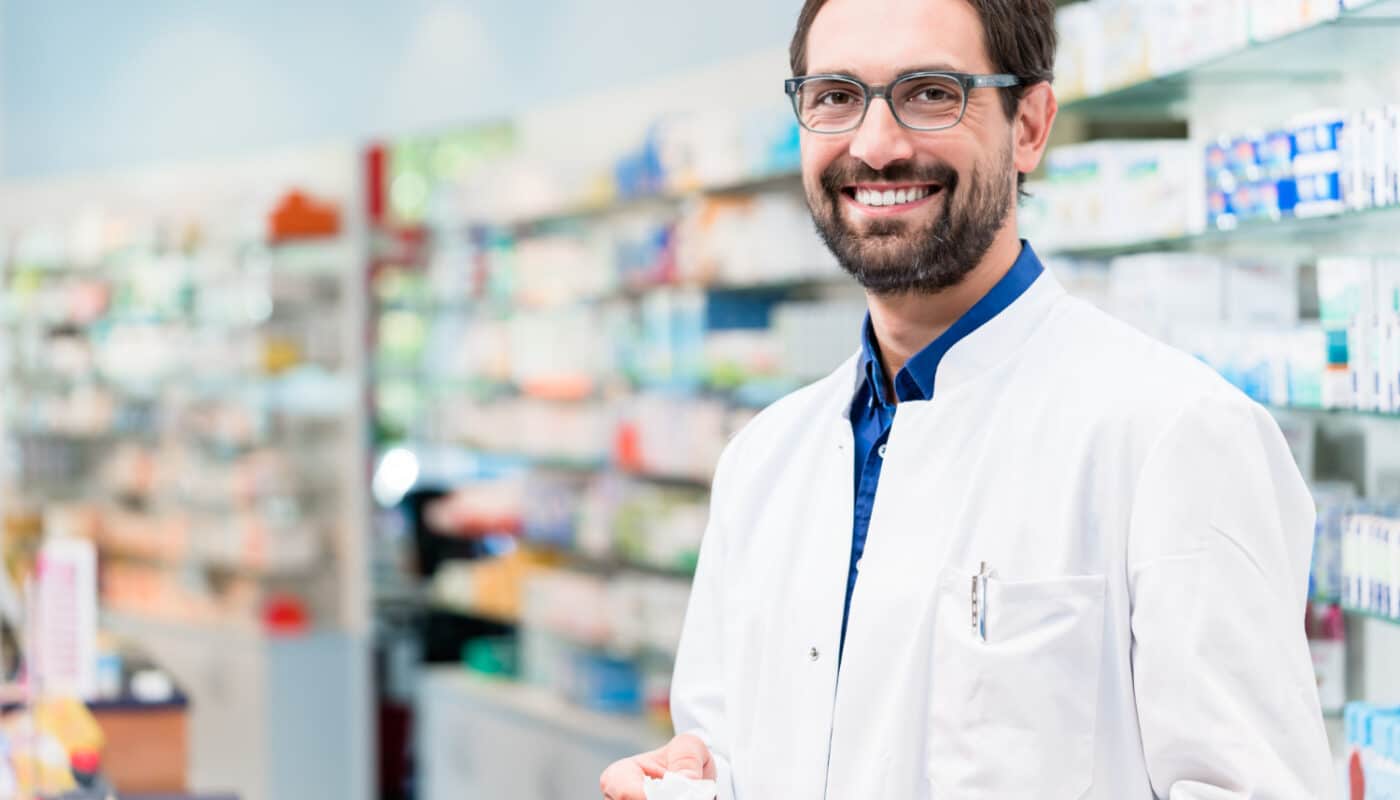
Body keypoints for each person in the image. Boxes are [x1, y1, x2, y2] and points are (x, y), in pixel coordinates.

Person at [600, 0, 1336, 797]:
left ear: (1029, 125)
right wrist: (687, 782)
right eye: (835, 96)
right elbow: (730, 748)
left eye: (929, 91)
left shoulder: (1175, 433)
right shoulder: (762, 460)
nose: (875, 145)